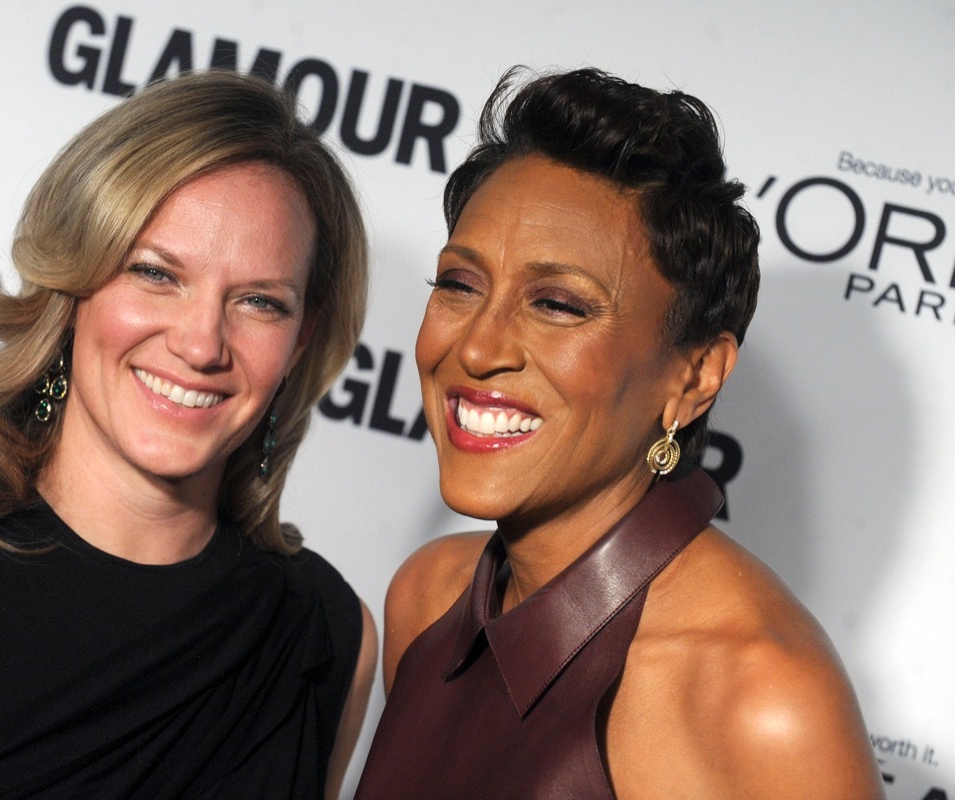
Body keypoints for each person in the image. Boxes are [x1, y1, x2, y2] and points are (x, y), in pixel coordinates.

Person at [0, 70, 376, 799]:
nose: (202, 343)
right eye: (156, 274)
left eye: (258, 302)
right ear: (74, 286)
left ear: (301, 341)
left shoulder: (325, 635)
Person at [354, 67, 883, 799]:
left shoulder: (763, 700)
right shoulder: (428, 597)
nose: (477, 349)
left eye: (559, 305)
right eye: (460, 285)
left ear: (694, 377)